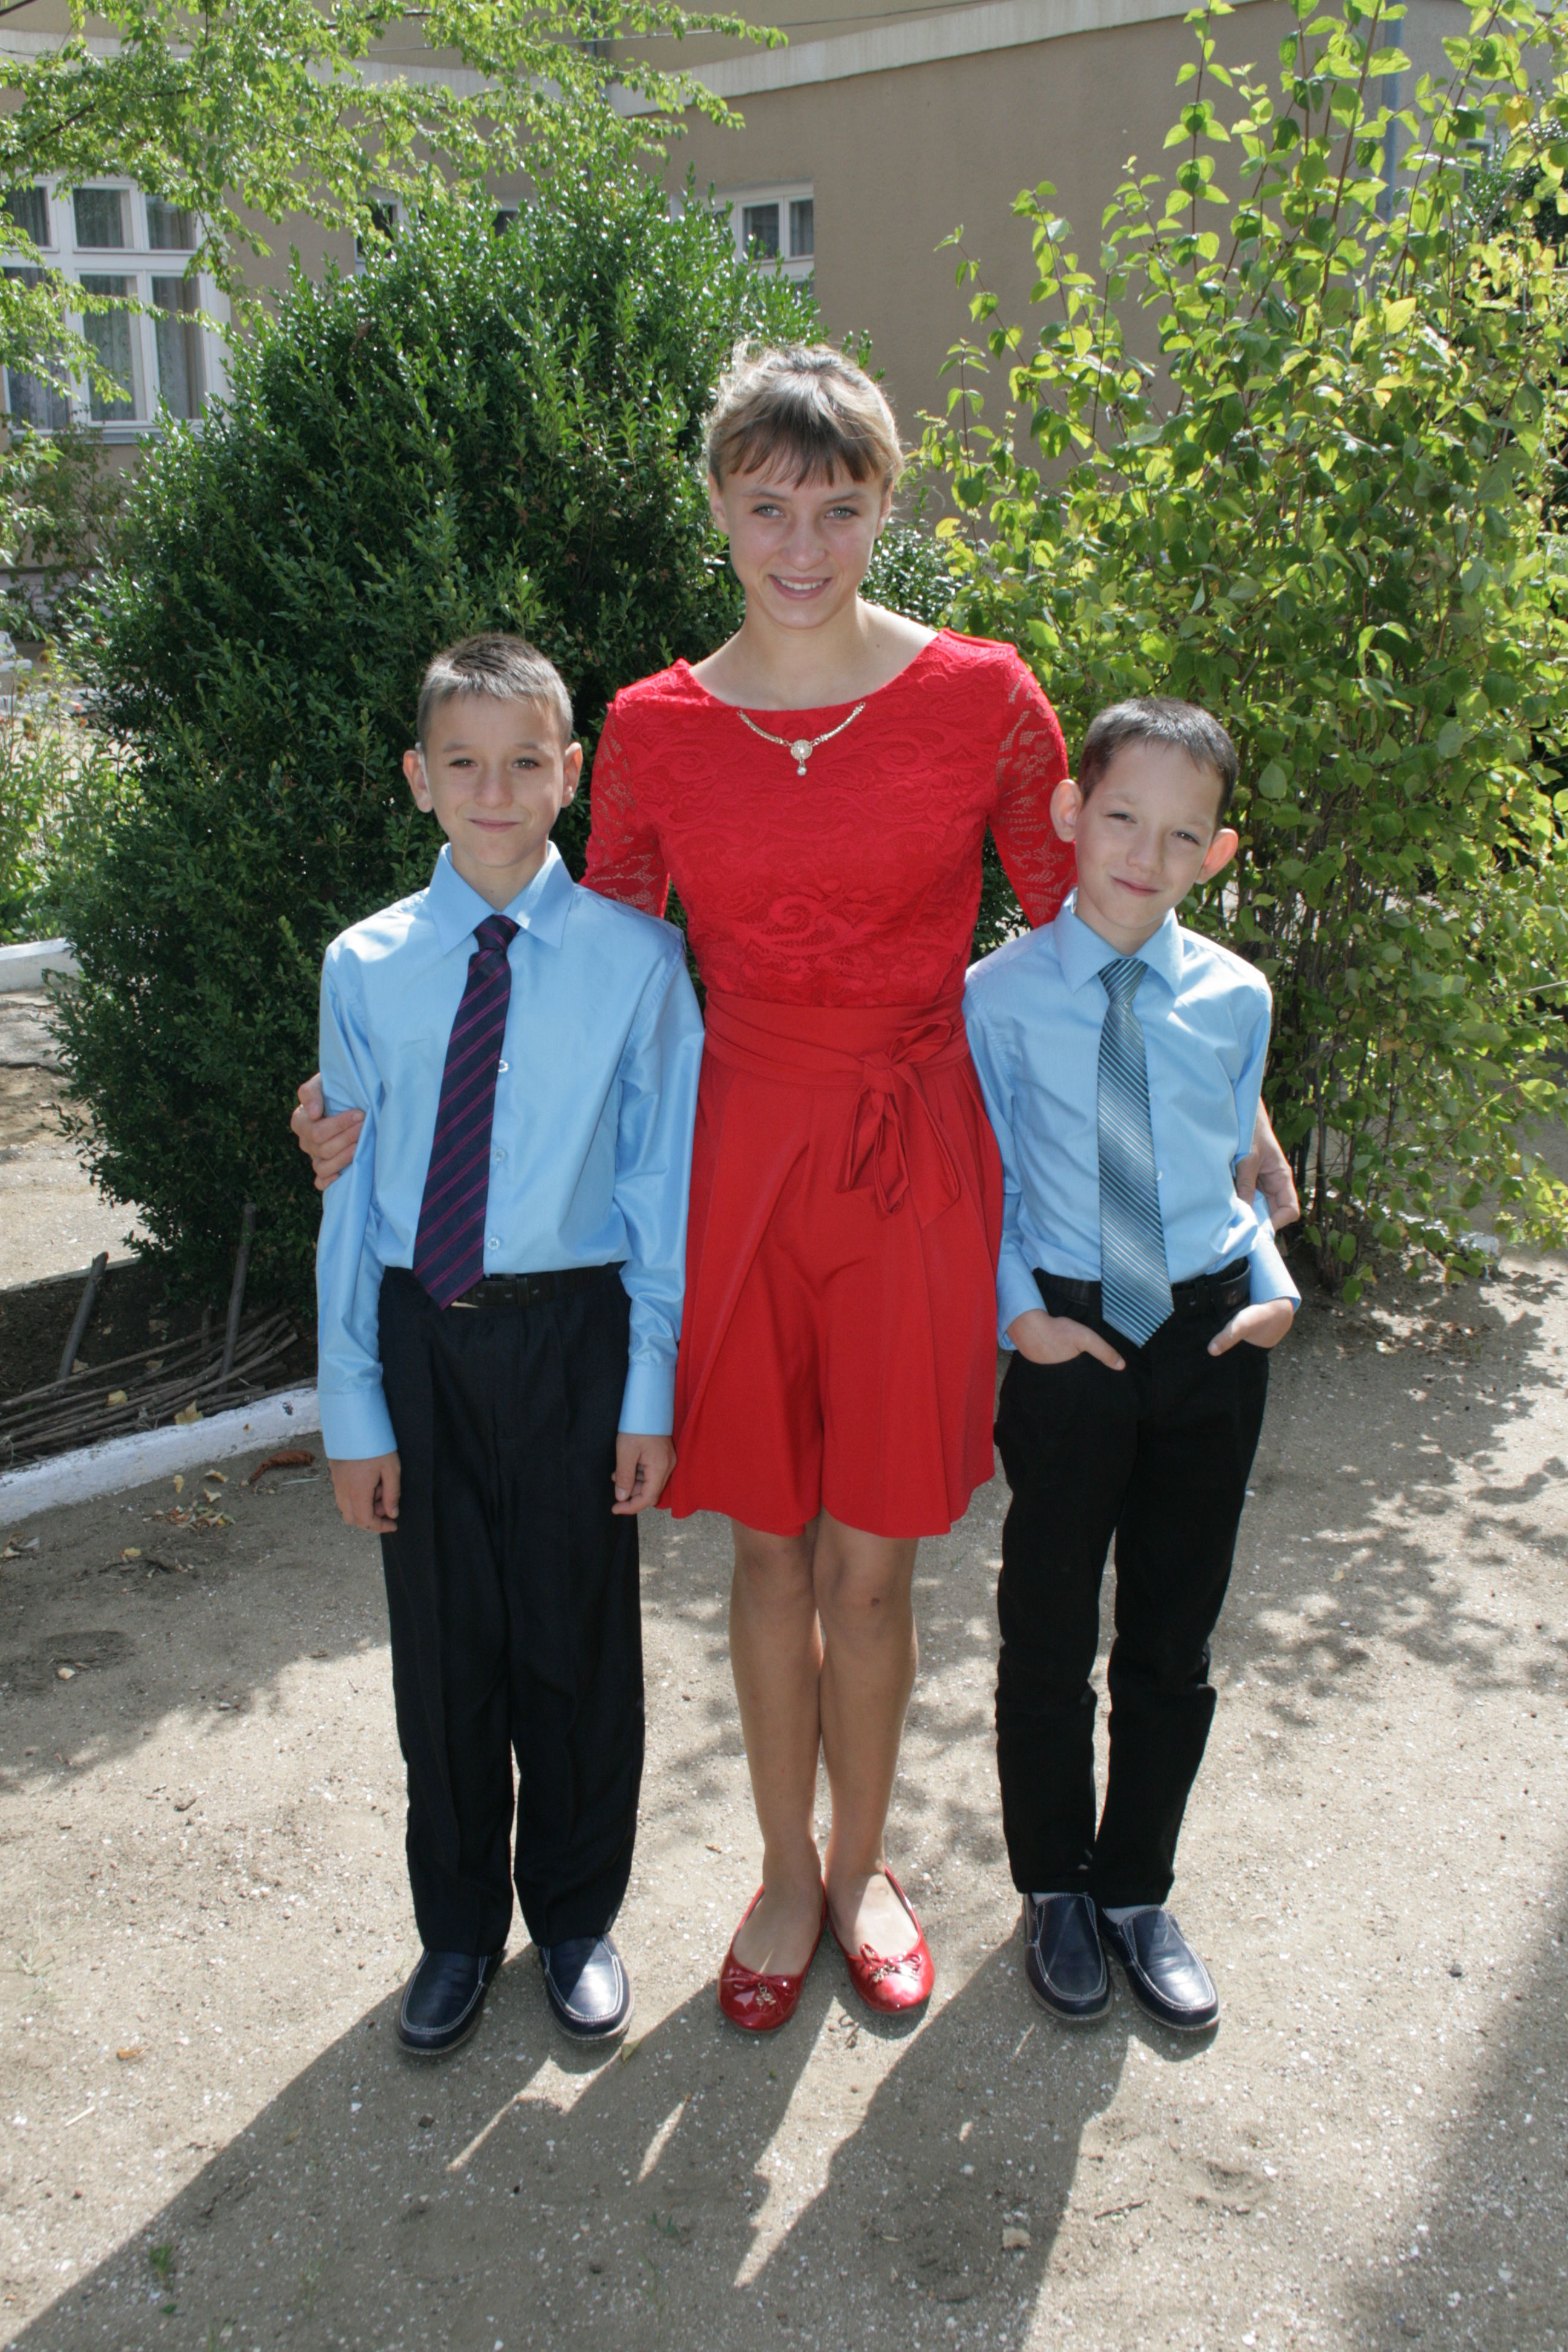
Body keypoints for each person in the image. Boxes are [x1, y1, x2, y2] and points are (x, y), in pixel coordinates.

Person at [294, 342, 1299, 2033]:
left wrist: (1235, 1102)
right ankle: (778, 1869)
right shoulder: (655, 727)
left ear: (885, 504)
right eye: (767, 506)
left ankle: (862, 1869)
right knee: (766, 1556)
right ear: (719, 508)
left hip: (918, 1162)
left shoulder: (985, 697)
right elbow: (586, 980)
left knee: (874, 1567)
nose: (803, 543)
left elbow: (1105, 935)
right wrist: (372, 1116)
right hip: (738, 1161)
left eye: (838, 507)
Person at [315, 634, 703, 2054]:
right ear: (418, 777)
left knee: (578, 1638)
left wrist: (648, 1388)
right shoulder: (365, 966)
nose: (495, 791)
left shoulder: (638, 960)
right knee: (445, 1651)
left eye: (526, 762)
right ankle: (460, 1928)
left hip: (575, 1336)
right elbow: (349, 1192)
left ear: (571, 774)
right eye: (463, 763)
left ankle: (579, 1917)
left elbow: (661, 1186)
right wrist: (354, 1405)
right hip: (422, 1337)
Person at [964, 696, 1298, 2034]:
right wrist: (1021, 1321)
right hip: (1070, 1337)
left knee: (1174, 1632)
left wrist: (1271, 1291)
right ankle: (1054, 1883)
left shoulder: (1237, 996)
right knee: (1048, 1626)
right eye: (1120, 818)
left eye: (1180, 835)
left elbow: (1234, 1171)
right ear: (1068, 813)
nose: (1144, 856)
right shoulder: (995, 999)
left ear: (1217, 854)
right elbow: (983, 1180)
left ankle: (1136, 1889)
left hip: (1210, 1340)